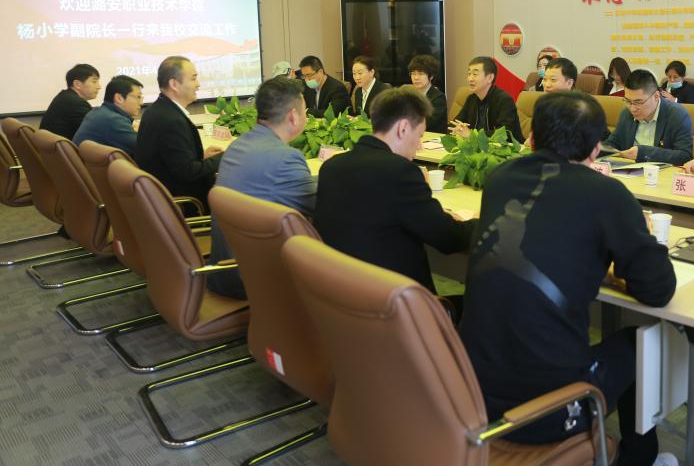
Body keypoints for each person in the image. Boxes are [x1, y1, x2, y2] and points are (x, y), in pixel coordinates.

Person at [459, 91, 679, 466]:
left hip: (469, 394)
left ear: (531, 139)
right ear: (596, 150)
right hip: (545, 413)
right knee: (640, 343)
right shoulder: (607, 194)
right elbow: (658, 289)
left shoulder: (500, 178)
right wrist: (637, 235)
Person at [314, 86, 474, 293]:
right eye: (420, 136)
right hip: (394, 301)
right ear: (403, 128)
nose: (419, 146)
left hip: (340, 294)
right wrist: (481, 222)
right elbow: (447, 239)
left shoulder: (331, 167)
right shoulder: (401, 172)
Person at [207, 76, 316, 300]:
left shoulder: (239, 144)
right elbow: (322, 206)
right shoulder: (285, 158)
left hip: (226, 268)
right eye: (305, 111)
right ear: (293, 116)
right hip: (255, 279)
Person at [136, 56, 223, 208]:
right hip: (187, 204)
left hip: (162, 198)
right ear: (174, 84)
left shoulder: (158, 110)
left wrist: (201, 157)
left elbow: (172, 160)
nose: (198, 84)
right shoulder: (171, 120)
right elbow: (187, 172)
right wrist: (226, 156)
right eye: (193, 79)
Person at [603, 69, 693, 165]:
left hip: (660, 172)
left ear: (656, 96)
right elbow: (613, 143)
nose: (632, 109)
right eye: (628, 101)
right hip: (627, 171)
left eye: (638, 102)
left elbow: (685, 156)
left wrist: (643, 153)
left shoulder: (677, 115)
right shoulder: (626, 113)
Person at [449, 56, 524, 142]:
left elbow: (504, 134)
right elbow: (455, 123)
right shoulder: (471, 99)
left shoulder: (504, 100)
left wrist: (472, 135)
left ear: (490, 78)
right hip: (478, 147)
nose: (470, 79)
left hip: (508, 148)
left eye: (475, 74)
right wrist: (457, 129)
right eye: (469, 74)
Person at [72, 74, 144, 156]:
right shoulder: (113, 120)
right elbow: (145, 148)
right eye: (138, 97)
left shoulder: (99, 112)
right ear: (119, 98)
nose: (141, 103)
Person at [40, 64, 101, 140]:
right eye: (94, 81)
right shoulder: (75, 103)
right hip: (61, 147)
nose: (99, 87)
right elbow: (97, 131)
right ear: (77, 84)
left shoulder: (66, 97)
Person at [408, 54, 448, 132]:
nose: (416, 78)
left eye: (421, 74)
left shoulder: (438, 97)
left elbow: (427, 122)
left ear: (431, 76)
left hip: (433, 137)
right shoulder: (410, 95)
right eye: (413, 73)